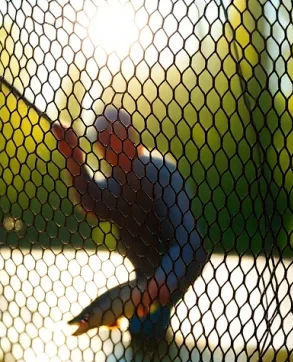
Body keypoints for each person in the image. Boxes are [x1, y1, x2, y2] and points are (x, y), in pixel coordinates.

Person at [52, 106, 207, 339]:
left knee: (145, 331)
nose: (106, 149)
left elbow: (188, 240)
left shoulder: (162, 172)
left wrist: (163, 280)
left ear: (130, 136)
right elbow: (93, 201)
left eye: (111, 139)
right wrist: (73, 157)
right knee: (139, 330)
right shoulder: (117, 180)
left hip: (182, 261)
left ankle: (156, 324)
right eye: (101, 144)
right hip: (145, 272)